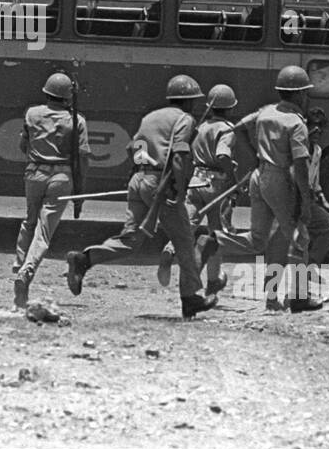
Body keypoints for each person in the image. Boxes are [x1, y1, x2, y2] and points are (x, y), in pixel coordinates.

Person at [64, 75, 217, 319]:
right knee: (185, 241)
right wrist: (179, 188)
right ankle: (191, 298)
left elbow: (131, 148)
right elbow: (178, 157)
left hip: (139, 179)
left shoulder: (151, 117)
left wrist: (144, 173)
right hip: (160, 184)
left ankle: (85, 259)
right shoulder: (184, 119)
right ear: (188, 101)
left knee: (131, 241)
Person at [239, 66, 317, 311]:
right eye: (305, 93)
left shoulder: (265, 112)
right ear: (300, 95)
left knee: (260, 239)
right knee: (298, 238)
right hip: (279, 181)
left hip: (258, 175)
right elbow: (301, 166)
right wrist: (306, 199)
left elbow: (238, 127)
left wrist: (255, 155)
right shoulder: (296, 124)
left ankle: (213, 241)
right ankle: (300, 297)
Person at [11, 72, 91, 308]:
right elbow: (83, 159)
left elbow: (23, 145)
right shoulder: (77, 121)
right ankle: (27, 271)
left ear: (46, 92)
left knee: (29, 221)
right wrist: (80, 189)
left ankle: (18, 265)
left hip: (34, 172)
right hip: (61, 176)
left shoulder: (32, 113)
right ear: (68, 98)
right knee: (44, 232)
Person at [157, 83, 237, 293]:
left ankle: (169, 250)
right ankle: (213, 280)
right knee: (216, 234)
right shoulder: (227, 129)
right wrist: (232, 175)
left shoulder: (199, 128)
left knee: (187, 226)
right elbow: (223, 155)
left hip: (195, 181)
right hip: (216, 185)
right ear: (230, 108)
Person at [287, 106, 329, 310]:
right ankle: (298, 295)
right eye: (313, 125)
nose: (317, 130)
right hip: (292, 200)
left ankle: (311, 266)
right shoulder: (297, 147)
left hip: (307, 201)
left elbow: (314, 180)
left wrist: (324, 201)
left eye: (321, 126)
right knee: (298, 243)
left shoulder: (317, 150)